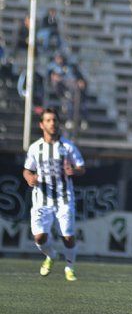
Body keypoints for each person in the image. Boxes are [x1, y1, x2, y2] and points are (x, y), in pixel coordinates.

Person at [21, 108, 86, 281]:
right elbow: (27, 171)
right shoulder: (36, 148)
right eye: (48, 120)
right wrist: (29, 179)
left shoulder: (67, 146)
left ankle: (69, 267)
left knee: (68, 236)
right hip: (42, 198)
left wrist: (73, 171)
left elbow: (81, 167)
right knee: (39, 237)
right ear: (42, 125)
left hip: (64, 197)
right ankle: (51, 256)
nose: (52, 123)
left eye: (55, 120)